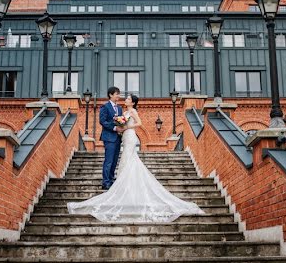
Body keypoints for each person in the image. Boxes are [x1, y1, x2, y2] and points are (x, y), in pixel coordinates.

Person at [69, 93, 205, 222]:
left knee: (129, 159)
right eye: (125, 98)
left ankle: (125, 187)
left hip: (130, 135)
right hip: (125, 137)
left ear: (132, 102)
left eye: (128, 98)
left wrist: (128, 127)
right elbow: (115, 122)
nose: (125, 99)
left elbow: (139, 123)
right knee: (125, 160)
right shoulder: (123, 111)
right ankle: (124, 187)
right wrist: (122, 126)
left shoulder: (132, 111)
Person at [98, 86, 124, 190]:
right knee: (108, 160)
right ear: (111, 95)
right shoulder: (105, 107)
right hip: (109, 138)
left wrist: (122, 128)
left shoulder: (120, 108)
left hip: (117, 138)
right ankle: (106, 182)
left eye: (119, 94)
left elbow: (121, 122)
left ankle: (111, 180)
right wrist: (114, 128)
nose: (118, 96)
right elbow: (102, 121)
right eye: (117, 94)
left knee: (114, 161)